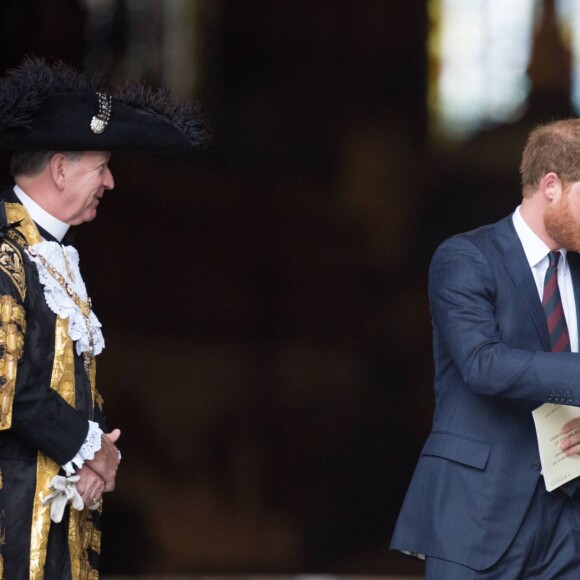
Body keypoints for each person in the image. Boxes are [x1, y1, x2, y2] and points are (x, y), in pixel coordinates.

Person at [0, 57, 209, 578]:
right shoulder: (5, 253)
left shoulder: (50, 252)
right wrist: (89, 447)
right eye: (102, 166)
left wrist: (90, 454)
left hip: (53, 513)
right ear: (60, 168)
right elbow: (9, 385)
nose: (111, 182)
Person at [391, 118, 580, 579]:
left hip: (568, 525)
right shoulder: (465, 257)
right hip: (476, 516)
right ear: (551, 186)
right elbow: (482, 365)